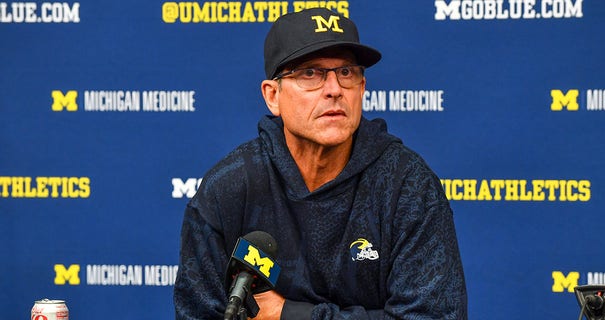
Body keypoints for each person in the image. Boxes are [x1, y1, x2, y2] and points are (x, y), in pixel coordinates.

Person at [174, 7, 467, 320]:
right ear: (273, 96)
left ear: (362, 89)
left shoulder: (408, 186)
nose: (334, 89)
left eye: (346, 73)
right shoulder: (230, 187)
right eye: (310, 73)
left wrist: (290, 315)